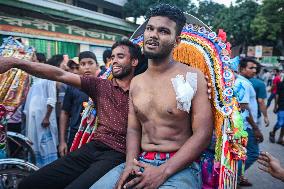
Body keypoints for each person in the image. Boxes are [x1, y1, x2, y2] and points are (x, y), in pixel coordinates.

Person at [91, 4, 213, 189]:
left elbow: (203, 134)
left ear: (176, 41)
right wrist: (131, 162)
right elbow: (133, 129)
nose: (153, 35)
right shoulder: (137, 81)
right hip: (140, 161)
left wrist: (162, 172)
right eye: (150, 28)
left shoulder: (192, 77)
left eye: (163, 31)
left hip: (180, 166)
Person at [0, 39, 144, 189]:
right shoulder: (100, 85)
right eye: (112, 57)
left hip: (118, 154)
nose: (114, 61)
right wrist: (16, 62)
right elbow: (59, 75)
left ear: (134, 61)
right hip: (94, 147)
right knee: (30, 184)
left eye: (120, 57)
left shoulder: (143, 90)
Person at [58, 52, 98, 157]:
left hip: (96, 137)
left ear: (97, 66)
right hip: (76, 135)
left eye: (90, 63)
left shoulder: (105, 86)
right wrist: (62, 141)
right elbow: (65, 113)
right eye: (83, 64)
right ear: (79, 67)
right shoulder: (72, 87)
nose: (87, 67)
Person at [23, 53, 59, 168]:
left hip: (43, 119)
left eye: (33, 60)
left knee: (46, 146)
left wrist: (47, 117)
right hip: (32, 119)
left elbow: (52, 98)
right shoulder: (34, 78)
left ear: (40, 61)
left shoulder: (49, 75)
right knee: (34, 145)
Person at [235, 57, 264, 187]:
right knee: (253, 153)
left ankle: (237, 177)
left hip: (242, 125)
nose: (254, 70)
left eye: (255, 68)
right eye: (250, 68)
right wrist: (255, 128)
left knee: (241, 153)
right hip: (246, 126)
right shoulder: (244, 84)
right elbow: (244, 107)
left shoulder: (242, 81)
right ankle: (235, 177)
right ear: (241, 69)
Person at [249, 61, 269, 128]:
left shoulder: (237, 80)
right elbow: (261, 102)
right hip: (254, 116)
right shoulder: (260, 83)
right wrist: (265, 117)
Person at [269, 78, 284, 145]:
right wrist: (275, 106)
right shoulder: (281, 84)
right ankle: (273, 133)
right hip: (281, 105)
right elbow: (277, 95)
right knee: (280, 122)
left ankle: (280, 139)